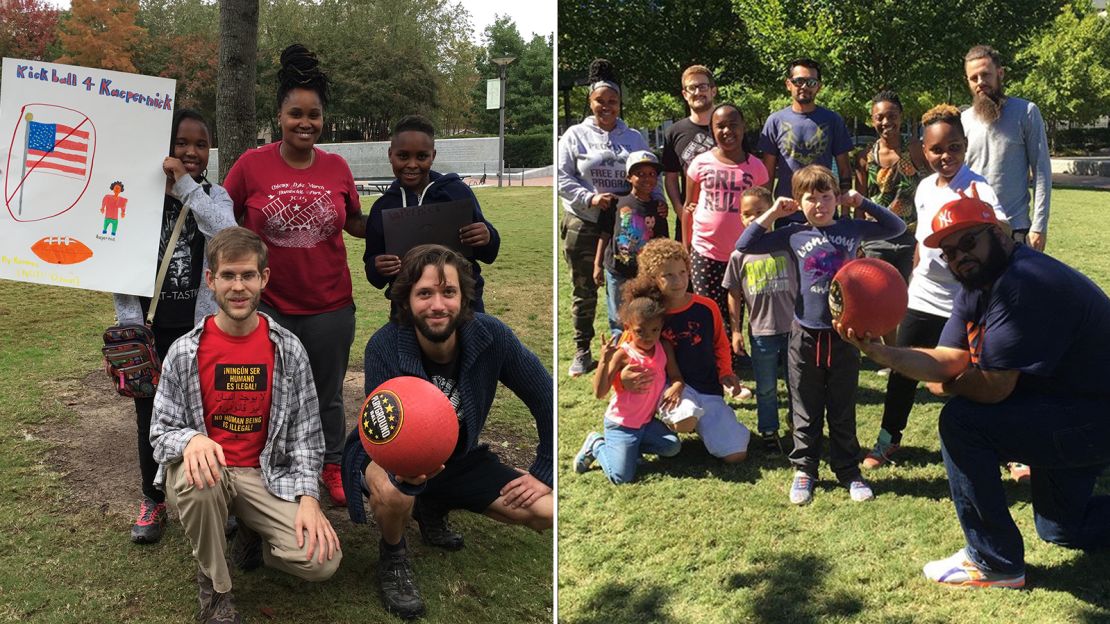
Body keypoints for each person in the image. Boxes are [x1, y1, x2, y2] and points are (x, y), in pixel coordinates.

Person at [836, 199, 1110, 590]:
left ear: (997, 233)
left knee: (962, 422)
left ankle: (994, 561)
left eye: (967, 242)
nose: (958, 257)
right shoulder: (978, 281)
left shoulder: (1021, 282)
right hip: (1068, 408)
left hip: (1091, 415)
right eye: (947, 252)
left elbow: (994, 389)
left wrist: (946, 383)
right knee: (1063, 528)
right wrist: (884, 353)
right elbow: (949, 358)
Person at [340, 244, 553, 619]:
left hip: (459, 459)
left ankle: (433, 503)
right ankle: (393, 554)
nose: (437, 305)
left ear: (464, 297)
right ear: (406, 299)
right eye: (424, 293)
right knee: (395, 492)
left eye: (448, 292)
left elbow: (546, 395)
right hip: (390, 455)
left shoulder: (491, 336)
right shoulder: (385, 347)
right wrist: (406, 475)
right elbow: (381, 435)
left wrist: (543, 470)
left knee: (547, 511)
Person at [151, 227, 341, 623]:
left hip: (265, 475)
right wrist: (190, 440)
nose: (238, 287)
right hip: (208, 474)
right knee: (200, 482)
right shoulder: (185, 352)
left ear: (264, 279)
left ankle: (257, 534)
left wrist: (308, 497)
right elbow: (160, 431)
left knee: (323, 561)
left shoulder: (287, 349)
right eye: (228, 276)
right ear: (211, 280)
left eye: (248, 276)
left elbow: (307, 435)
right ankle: (216, 591)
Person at [222, 44, 366, 507]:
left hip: (330, 306)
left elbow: (358, 224)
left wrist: (410, 218)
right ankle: (271, 465)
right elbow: (221, 222)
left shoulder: (337, 167)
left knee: (328, 395)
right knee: (266, 394)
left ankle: (332, 463)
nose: (305, 123)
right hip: (269, 307)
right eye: (295, 114)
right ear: (280, 116)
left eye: (314, 115)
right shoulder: (250, 165)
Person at [736, 165, 905, 504]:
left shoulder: (851, 228)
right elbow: (745, 245)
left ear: (836, 198)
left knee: (842, 405)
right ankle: (805, 469)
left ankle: (848, 470)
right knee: (805, 405)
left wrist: (862, 202)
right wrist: (773, 211)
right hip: (804, 334)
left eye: (826, 197)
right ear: (798, 202)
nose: (819, 205)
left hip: (844, 335)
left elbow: (896, 226)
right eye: (810, 198)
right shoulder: (793, 233)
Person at [112, 109, 235, 544]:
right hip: (152, 329)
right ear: (166, 148)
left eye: (201, 144)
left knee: (208, 409)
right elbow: (118, 260)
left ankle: (219, 492)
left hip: (201, 327)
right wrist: (129, 325)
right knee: (150, 414)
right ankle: (153, 498)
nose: (191, 152)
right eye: (182, 143)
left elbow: (227, 233)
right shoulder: (138, 197)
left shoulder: (215, 196)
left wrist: (185, 188)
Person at [863, 104, 1007, 469]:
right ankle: (887, 440)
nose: (947, 156)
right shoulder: (925, 186)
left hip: (967, 299)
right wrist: (912, 280)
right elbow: (921, 239)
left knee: (982, 373)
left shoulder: (976, 185)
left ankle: (1008, 449)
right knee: (903, 371)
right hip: (923, 296)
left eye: (955, 147)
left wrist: (983, 219)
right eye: (937, 149)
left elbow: (1002, 229)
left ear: (965, 145)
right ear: (923, 151)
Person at [558, 58, 662, 377]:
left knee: (629, 287)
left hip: (628, 225)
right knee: (586, 287)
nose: (606, 106)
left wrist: (657, 203)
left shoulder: (633, 137)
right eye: (600, 101)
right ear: (590, 102)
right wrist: (591, 197)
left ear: (619, 104)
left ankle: (631, 343)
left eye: (612, 101)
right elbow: (563, 178)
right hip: (585, 221)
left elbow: (648, 173)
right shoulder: (575, 135)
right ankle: (583, 349)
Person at [628, 238, 751, 464]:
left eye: (683, 272)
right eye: (669, 275)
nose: (678, 281)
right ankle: (649, 427)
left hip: (707, 386)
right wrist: (624, 375)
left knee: (736, 454)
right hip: (669, 387)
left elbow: (720, 344)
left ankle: (716, 423)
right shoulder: (649, 312)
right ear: (653, 278)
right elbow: (629, 348)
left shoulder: (706, 307)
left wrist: (725, 372)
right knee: (685, 420)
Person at [364, 114, 500, 312]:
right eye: (403, 156)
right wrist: (377, 267)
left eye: (421, 156)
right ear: (390, 154)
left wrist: (487, 236)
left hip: (464, 306)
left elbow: (488, 254)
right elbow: (373, 272)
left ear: (433, 156)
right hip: (407, 310)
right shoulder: (382, 207)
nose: (412, 164)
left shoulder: (457, 192)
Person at [684, 104, 769, 376]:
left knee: (737, 307)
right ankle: (710, 360)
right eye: (720, 125)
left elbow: (764, 213)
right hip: (704, 249)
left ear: (743, 129)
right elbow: (689, 205)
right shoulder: (700, 163)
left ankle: (734, 354)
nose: (727, 131)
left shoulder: (756, 167)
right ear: (712, 130)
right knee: (708, 309)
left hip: (742, 251)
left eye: (733, 125)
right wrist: (686, 247)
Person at [574, 285, 685, 484]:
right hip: (621, 425)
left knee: (673, 446)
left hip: (646, 423)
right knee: (621, 477)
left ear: (661, 326)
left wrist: (676, 386)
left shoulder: (664, 348)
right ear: (628, 327)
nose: (648, 336)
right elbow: (600, 393)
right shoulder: (623, 354)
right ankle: (597, 444)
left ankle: (630, 451)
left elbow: (676, 376)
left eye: (654, 330)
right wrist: (604, 360)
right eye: (640, 331)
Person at [722, 186, 797, 452]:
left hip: (793, 330)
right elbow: (734, 294)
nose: (753, 219)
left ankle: (798, 424)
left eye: (760, 212)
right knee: (765, 387)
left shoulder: (788, 245)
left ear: (773, 212)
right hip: (761, 332)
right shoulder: (739, 254)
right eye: (746, 214)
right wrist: (736, 331)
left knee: (797, 383)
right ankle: (768, 431)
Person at [962, 44, 1051, 252]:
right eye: (973, 78)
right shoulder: (963, 120)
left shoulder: (1026, 112)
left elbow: (1042, 172)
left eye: (986, 75)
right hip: (974, 229)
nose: (980, 82)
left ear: (1000, 74)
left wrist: (1039, 226)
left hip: (1016, 229)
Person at [758, 58, 853, 212]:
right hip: (787, 211)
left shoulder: (832, 120)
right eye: (798, 81)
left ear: (819, 87)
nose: (804, 86)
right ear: (788, 84)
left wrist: (845, 214)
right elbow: (767, 174)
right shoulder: (775, 121)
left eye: (811, 82)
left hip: (824, 210)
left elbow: (844, 169)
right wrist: (766, 215)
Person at [594, 150, 669, 339]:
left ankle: (645, 355)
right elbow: (604, 234)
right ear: (629, 177)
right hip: (617, 271)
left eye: (651, 174)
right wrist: (597, 265)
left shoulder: (659, 209)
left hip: (645, 275)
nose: (647, 178)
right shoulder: (615, 203)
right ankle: (620, 354)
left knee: (646, 315)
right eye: (640, 174)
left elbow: (662, 245)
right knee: (618, 318)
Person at [662, 65, 718, 242]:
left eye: (703, 86)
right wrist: (681, 211)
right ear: (685, 94)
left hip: (725, 217)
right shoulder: (674, 132)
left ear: (713, 91)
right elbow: (670, 178)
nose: (697, 92)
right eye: (691, 88)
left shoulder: (728, 126)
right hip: (691, 221)